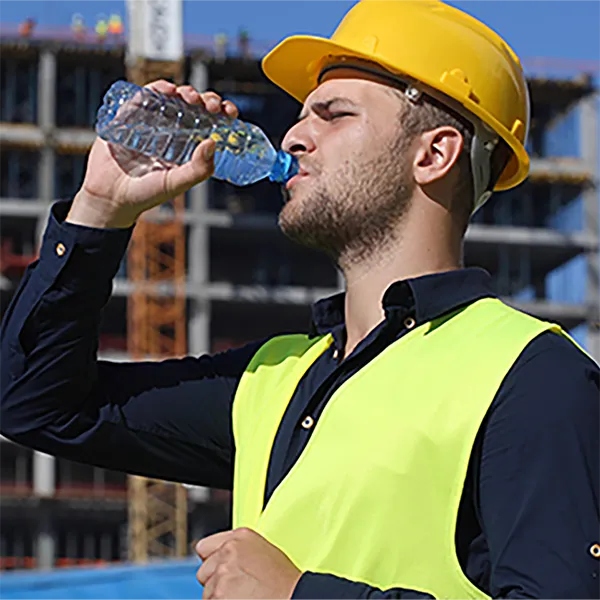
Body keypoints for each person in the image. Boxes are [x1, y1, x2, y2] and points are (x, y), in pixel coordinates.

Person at [0, 0, 599, 598]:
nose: (293, 135)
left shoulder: (534, 378)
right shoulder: (276, 377)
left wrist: (297, 594)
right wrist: (100, 210)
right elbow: (36, 404)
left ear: (434, 154)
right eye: (301, 115)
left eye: (333, 114)